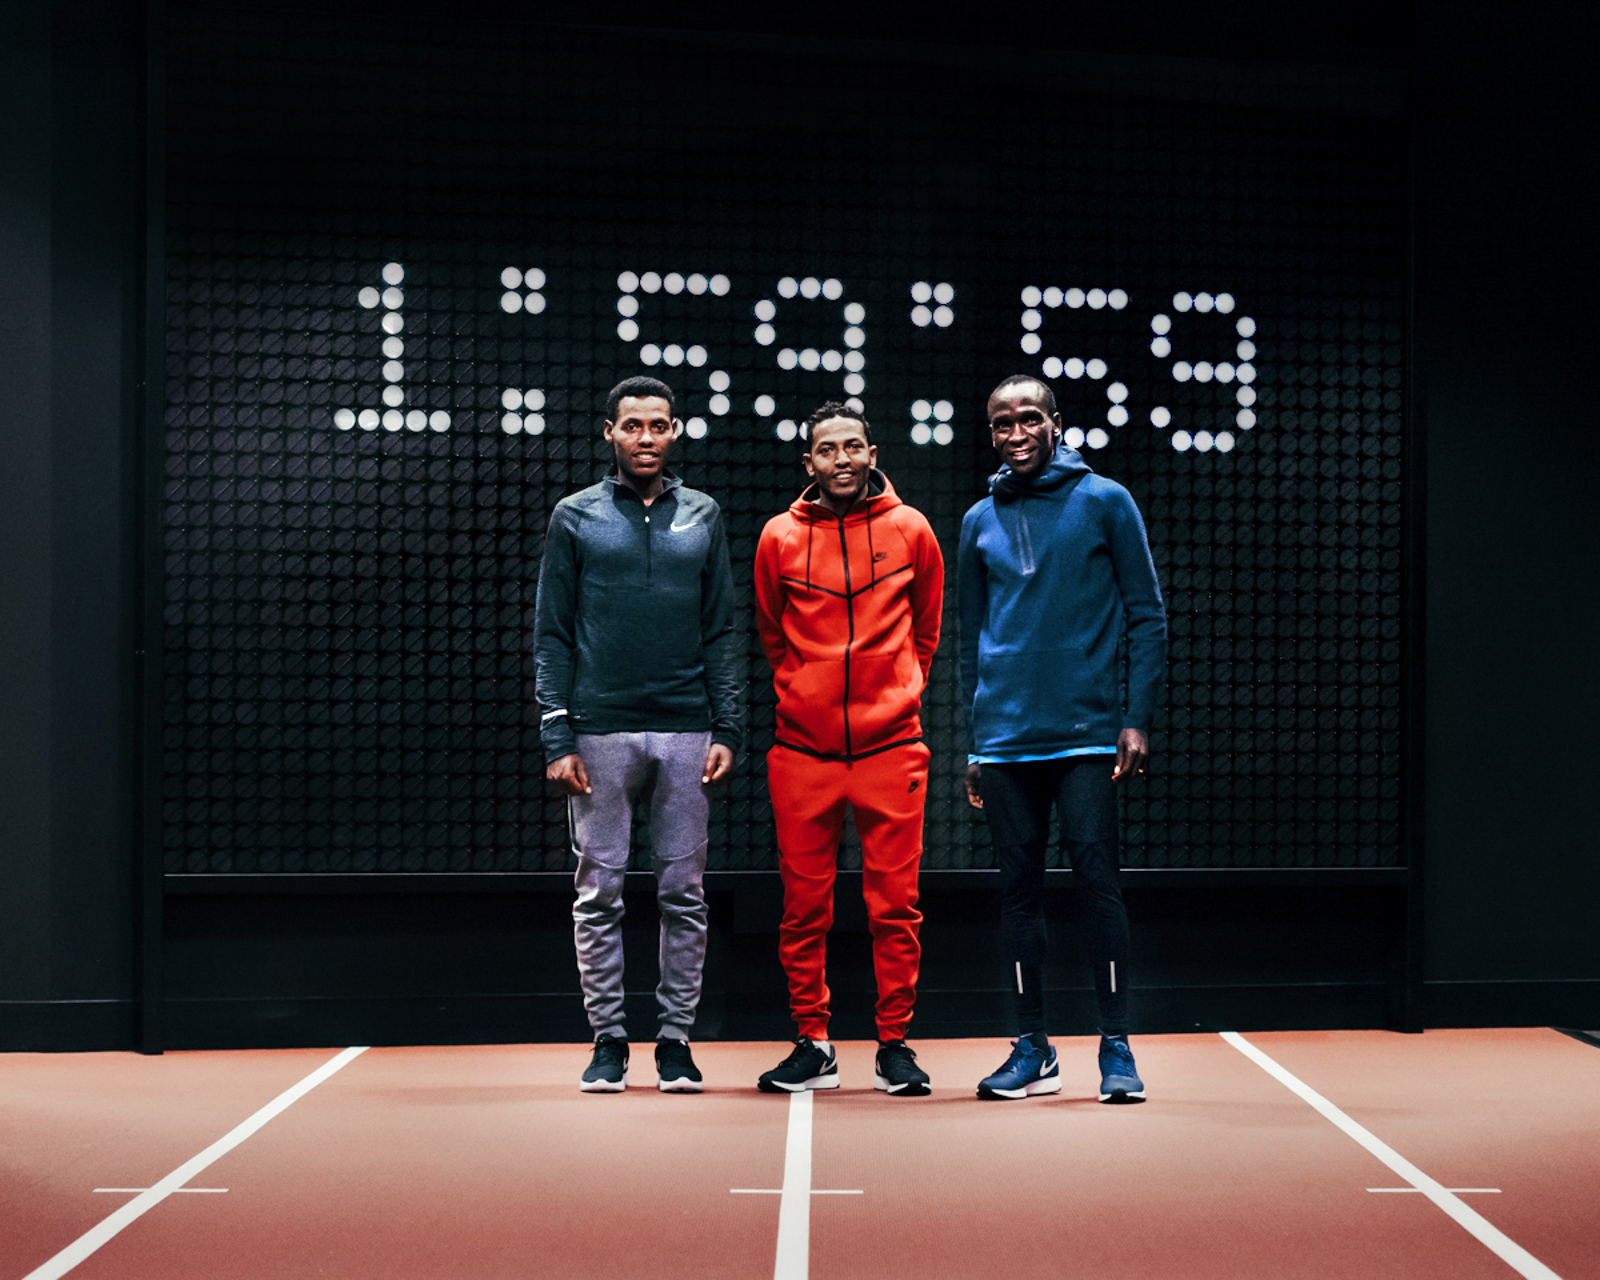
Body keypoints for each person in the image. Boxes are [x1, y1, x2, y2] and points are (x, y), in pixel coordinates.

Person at [959, 375, 1166, 1102]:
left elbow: (1147, 615)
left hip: (1085, 737)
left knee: (1098, 888)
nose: (1015, 433)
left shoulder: (1105, 500)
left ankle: (1116, 1046)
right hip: (1005, 743)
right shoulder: (978, 519)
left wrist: (1135, 718)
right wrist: (976, 741)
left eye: (1028, 419)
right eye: (1001, 423)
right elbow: (972, 637)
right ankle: (1032, 1049)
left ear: (1055, 424)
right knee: (1018, 896)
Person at [533, 376, 743, 1093]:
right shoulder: (576, 516)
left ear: (674, 432)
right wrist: (558, 736)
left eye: (658, 425)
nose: (645, 437)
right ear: (610, 433)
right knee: (599, 895)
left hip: (687, 731)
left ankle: (675, 1042)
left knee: (684, 893)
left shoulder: (703, 514)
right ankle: (609, 1040)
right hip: (599, 732)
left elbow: (720, 631)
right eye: (633, 426)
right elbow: (552, 634)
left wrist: (727, 725)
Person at [752, 402, 945, 1095]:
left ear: (871, 455)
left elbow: (927, 629)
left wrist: (900, 690)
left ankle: (894, 1045)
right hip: (803, 754)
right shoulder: (778, 537)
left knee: (896, 908)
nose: (842, 459)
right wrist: (803, 692)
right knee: (804, 911)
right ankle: (814, 1041)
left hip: (892, 750)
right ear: (809, 462)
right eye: (828, 449)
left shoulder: (911, 528)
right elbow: (773, 633)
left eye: (853, 446)